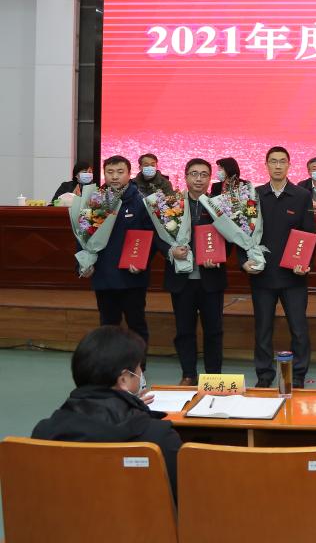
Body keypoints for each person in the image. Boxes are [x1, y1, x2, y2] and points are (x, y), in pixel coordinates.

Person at [32, 326, 182, 499]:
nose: (141, 372)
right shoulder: (158, 438)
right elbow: (185, 499)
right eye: (139, 367)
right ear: (124, 379)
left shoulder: (43, 434)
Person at [241, 146, 316, 389]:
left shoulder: (301, 196)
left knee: (299, 329)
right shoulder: (254, 196)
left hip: (293, 277)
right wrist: (244, 261)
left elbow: (308, 234)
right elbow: (242, 233)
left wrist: (304, 263)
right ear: (266, 165)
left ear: (289, 165)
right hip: (262, 275)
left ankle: (298, 375)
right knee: (263, 329)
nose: (277, 166)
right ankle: (264, 375)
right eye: (273, 161)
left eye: (282, 161)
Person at [155, 159, 226, 386]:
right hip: (181, 279)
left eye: (204, 174)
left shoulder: (218, 206)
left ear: (210, 179)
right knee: (184, 330)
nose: (198, 179)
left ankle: (213, 376)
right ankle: (188, 374)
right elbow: (158, 237)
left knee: (213, 330)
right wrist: (170, 251)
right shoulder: (171, 206)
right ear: (185, 177)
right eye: (194, 174)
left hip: (211, 278)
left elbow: (233, 237)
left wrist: (219, 257)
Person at [79, 155, 155, 348]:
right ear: (104, 174)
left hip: (132, 276)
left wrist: (142, 263)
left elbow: (152, 238)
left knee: (136, 325)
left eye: (120, 172)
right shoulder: (94, 201)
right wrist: (83, 264)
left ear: (129, 174)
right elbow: (82, 234)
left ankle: (138, 365)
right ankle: (110, 364)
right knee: (107, 327)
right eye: (110, 172)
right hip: (104, 275)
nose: (114, 177)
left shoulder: (141, 202)